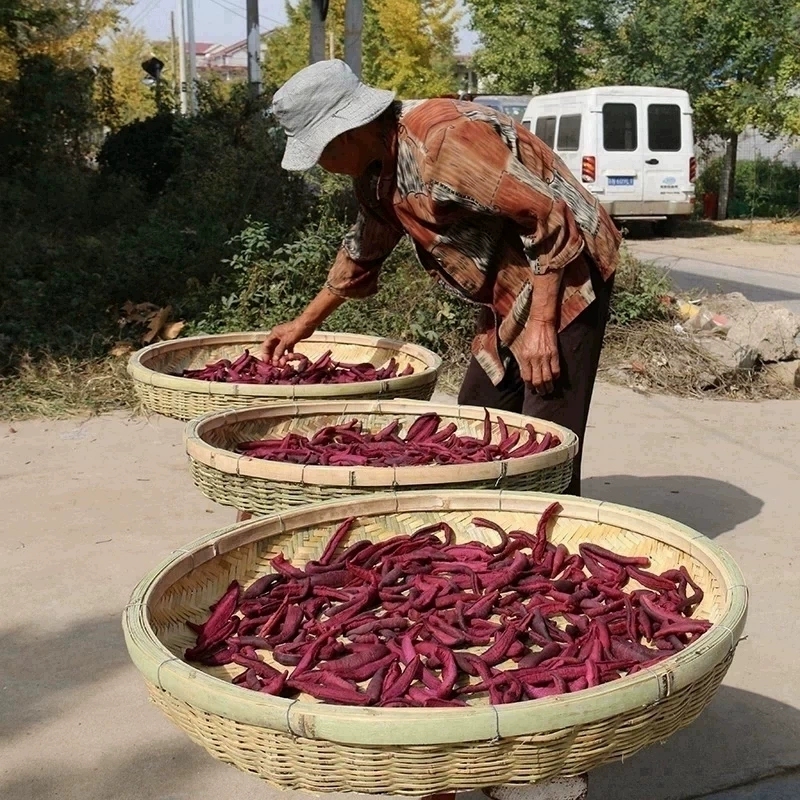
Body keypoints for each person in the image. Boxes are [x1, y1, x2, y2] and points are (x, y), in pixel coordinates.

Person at [265, 60, 622, 496]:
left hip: (566, 270)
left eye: (321, 152)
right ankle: (502, 523)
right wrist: (305, 323)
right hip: (510, 284)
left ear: (349, 132)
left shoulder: (447, 142)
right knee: (480, 411)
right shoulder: (377, 171)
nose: (321, 165)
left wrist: (543, 327)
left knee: (545, 429)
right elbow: (365, 248)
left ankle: (550, 537)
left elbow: (547, 216)